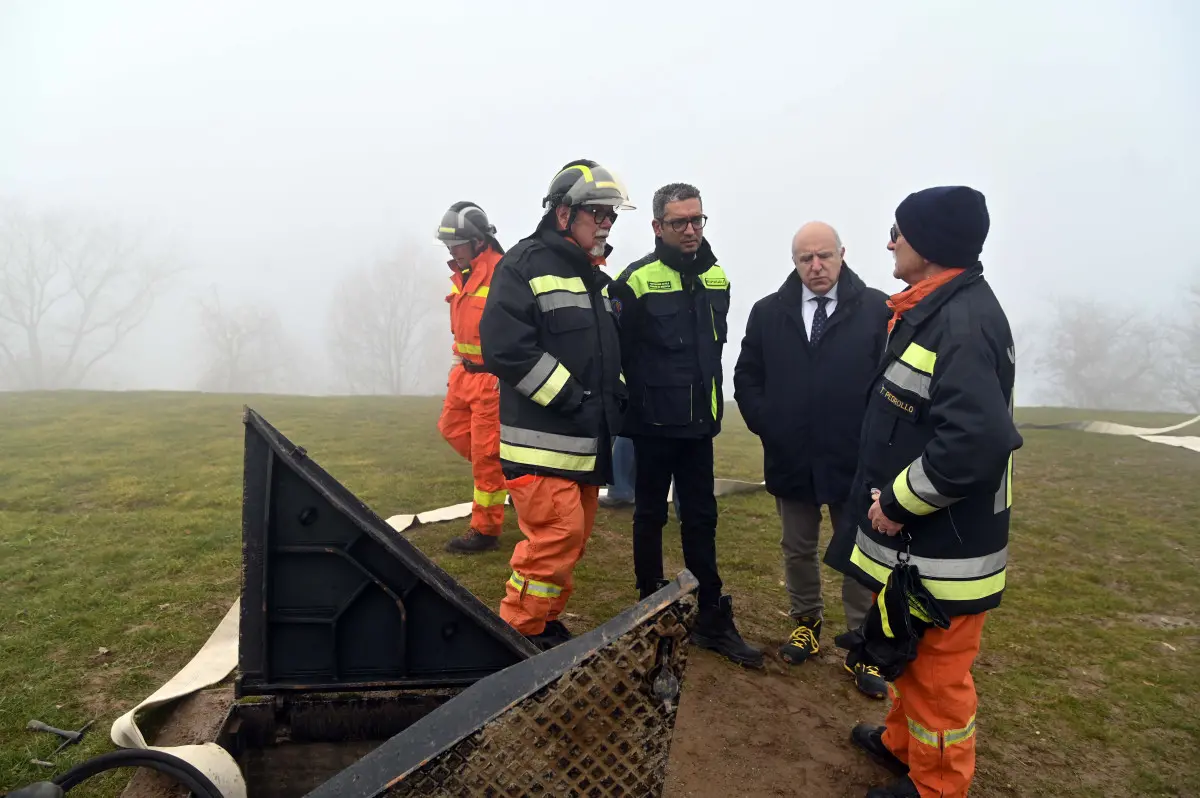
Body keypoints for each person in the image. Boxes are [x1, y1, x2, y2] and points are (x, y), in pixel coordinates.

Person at [827, 186, 1021, 798]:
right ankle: (902, 745)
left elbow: (975, 442)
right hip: (923, 546)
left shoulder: (961, 323)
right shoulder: (932, 308)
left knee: (938, 674)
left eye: (899, 231)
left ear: (931, 246)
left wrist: (899, 502)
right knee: (905, 646)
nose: (889, 241)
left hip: (946, 547)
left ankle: (937, 785)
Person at [478, 159, 632, 650]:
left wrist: (616, 397)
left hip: (582, 445)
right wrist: (573, 398)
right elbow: (506, 348)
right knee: (555, 539)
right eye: (597, 213)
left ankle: (542, 622)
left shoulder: (594, 277)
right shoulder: (524, 265)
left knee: (572, 541)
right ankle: (515, 634)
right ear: (563, 214)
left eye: (611, 215)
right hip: (542, 446)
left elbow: (606, 352)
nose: (606, 223)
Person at [732, 221, 890, 697]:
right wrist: (770, 424)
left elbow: (891, 383)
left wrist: (875, 440)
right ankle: (806, 624)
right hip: (792, 457)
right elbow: (747, 376)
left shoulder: (877, 309)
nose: (816, 267)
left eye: (824, 256)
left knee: (860, 553)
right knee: (797, 547)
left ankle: (863, 644)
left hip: (854, 460)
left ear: (843, 254)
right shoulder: (768, 312)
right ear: (795, 262)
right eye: (806, 259)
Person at [609, 182, 763, 668]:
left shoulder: (717, 278)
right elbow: (615, 353)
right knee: (649, 515)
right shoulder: (633, 281)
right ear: (658, 227)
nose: (691, 229)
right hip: (653, 426)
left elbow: (714, 351)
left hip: (700, 427)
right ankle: (649, 607)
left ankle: (711, 617)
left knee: (701, 519)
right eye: (680, 222)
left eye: (697, 220)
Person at [434, 202, 509, 554]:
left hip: (490, 381)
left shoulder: (503, 274)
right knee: (450, 429)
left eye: (457, 243)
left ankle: (486, 529)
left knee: (485, 457)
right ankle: (512, 473)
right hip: (464, 374)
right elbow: (460, 330)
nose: (451, 250)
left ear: (479, 241)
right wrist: (454, 366)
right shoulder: (462, 275)